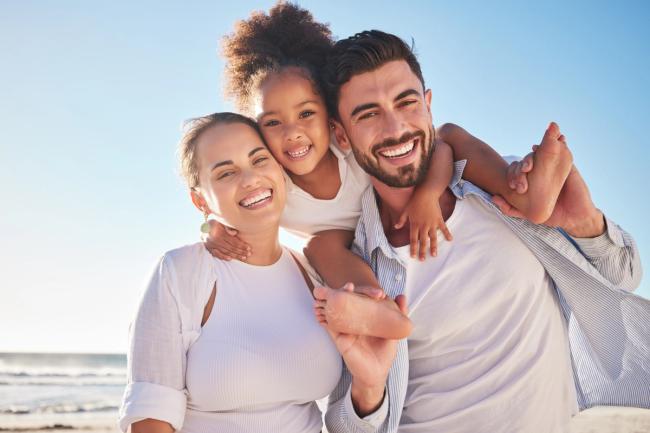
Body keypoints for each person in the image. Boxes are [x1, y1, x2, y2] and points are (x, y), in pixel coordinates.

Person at [316, 30, 647, 433]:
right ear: (341, 136)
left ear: (429, 105)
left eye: (407, 102)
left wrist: (586, 224)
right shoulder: (357, 263)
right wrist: (369, 388)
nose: (396, 127)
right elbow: (344, 426)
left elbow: (622, 276)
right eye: (368, 114)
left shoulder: (505, 194)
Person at [207, 4, 572, 340]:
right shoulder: (273, 184)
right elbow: (230, 202)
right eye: (273, 122)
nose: (293, 132)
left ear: (332, 122)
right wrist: (214, 229)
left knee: (448, 133)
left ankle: (521, 189)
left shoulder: (352, 149)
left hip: (384, 219)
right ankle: (375, 307)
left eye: (306, 114)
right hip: (353, 249)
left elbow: (440, 151)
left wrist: (428, 195)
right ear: (256, 131)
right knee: (319, 245)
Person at [118, 112, 406, 433]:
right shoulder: (180, 272)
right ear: (200, 200)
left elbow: (342, 426)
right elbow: (150, 417)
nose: (250, 179)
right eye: (226, 173)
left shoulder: (312, 274)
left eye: (259, 160)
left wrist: (369, 386)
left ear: (281, 171)